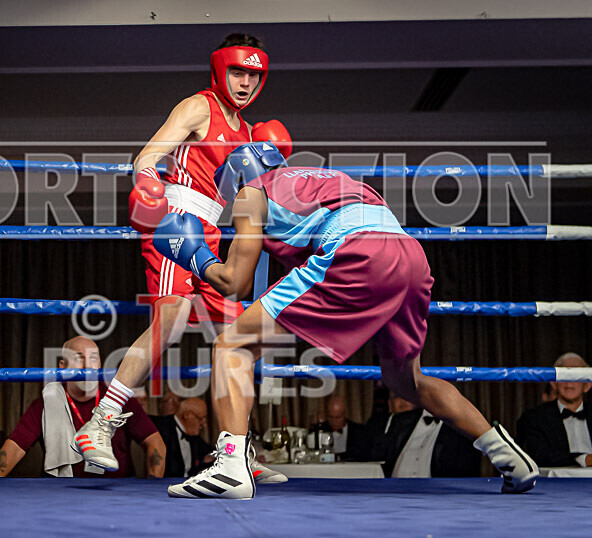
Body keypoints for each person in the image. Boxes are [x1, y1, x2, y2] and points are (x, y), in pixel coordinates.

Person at [153, 141, 538, 498]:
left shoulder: (250, 194)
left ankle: (231, 469)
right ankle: (507, 456)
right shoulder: (329, 179)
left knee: (232, 346)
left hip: (354, 251)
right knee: (406, 379)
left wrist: (194, 255)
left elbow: (234, 282)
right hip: (410, 257)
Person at [74, 33, 291, 482]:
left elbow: (248, 198)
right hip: (178, 222)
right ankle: (99, 424)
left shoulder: (250, 134)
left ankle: (235, 451)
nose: (245, 82)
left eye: (253, 74)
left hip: (212, 233)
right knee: (170, 322)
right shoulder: (198, 107)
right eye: (238, 71)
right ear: (219, 69)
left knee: (240, 337)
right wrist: (150, 183)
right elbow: (147, 156)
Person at [0, 336, 166, 477]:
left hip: (116, 494)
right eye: (78, 358)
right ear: (62, 366)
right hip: (61, 494)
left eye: (93, 359)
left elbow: (155, 443)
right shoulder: (46, 404)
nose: (87, 366)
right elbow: (12, 449)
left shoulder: (119, 399)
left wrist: (149, 487)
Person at [517, 352, 592, 468]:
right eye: (565, 375)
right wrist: (584, 459)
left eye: (576, 375)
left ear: (587, 385)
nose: (569, 382)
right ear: (553, 382)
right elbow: (537, 456)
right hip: (555, 484)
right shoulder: (534, 418)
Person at [373, 404, 480, 478]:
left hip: (436, 499)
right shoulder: (401, 420)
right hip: (394, 495)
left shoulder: (462, 427)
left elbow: (465, 471)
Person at [151, 397, 213, 478]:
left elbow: (210, 452)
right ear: (187, 415)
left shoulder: (193, 436)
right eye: (201, 419)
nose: (204, 425)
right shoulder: (161, 427)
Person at [317, 395, 371, 461]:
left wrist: (338, 457)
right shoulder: (320, 430)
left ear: (345, 414)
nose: (334, 421)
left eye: (338, 417)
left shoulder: (358, 431)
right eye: (330, 417)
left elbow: (362, 456)